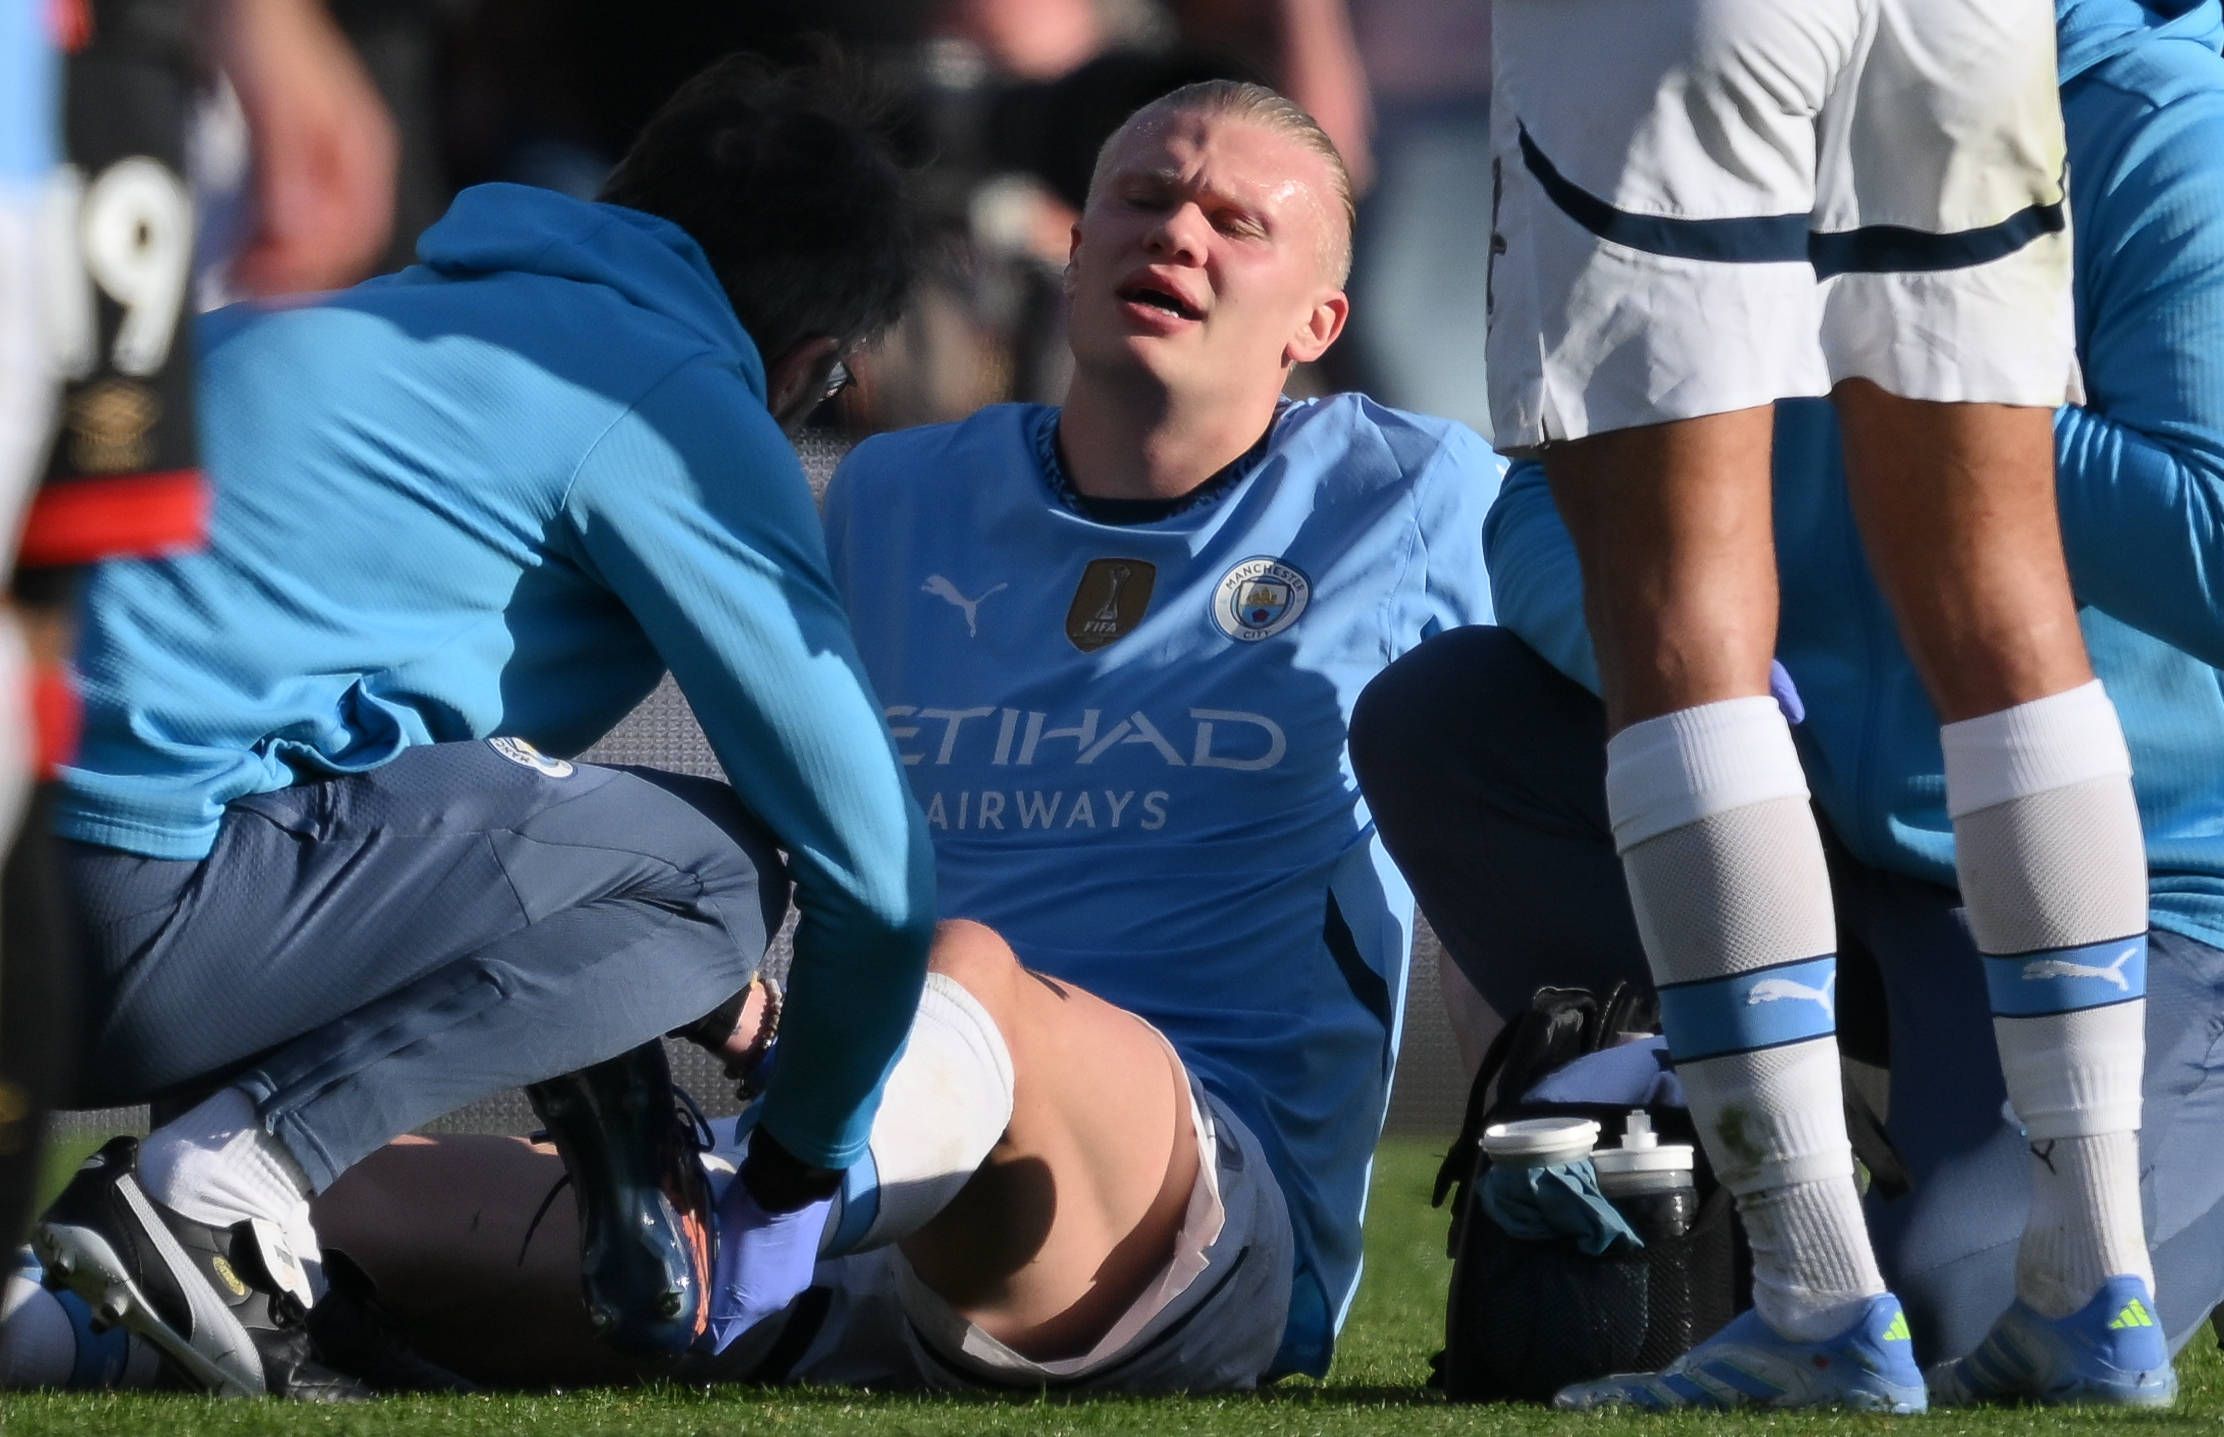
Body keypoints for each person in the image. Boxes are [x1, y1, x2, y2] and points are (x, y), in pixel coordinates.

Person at [237, 78, 1501, 1395]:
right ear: (1076, 248)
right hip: (849, 1185)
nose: (1178, 233)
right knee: (329, 1202)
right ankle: (61, 1313)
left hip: (1183, 1230)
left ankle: (755, 1224)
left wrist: (1549, 1126)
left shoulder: (1416, 494)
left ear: (1320, 321)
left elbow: (1533, 797)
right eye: (1142, 196)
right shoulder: (894, 493)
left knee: (965, 967)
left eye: (1236, 221)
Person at [23, 54, 937, 1399]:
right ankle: (232, 1179)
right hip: (112, 924)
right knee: (718, 871)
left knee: (310, 768)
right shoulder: (674, 388)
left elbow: (303, 736)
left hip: (66, 883)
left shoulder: (349, 321)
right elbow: (880, 878)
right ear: (810, 366)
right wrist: (797, 1172)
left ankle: (133, 1299)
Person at [1361, 0, 2224, 1409]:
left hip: (2174, 888)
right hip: (1855, 826)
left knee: (1952, 1297)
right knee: (1449, 719)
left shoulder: (2155, 102)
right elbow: (1534, 519)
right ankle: (1995, 1235)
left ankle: (1840, 1284)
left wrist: (1922, 397)